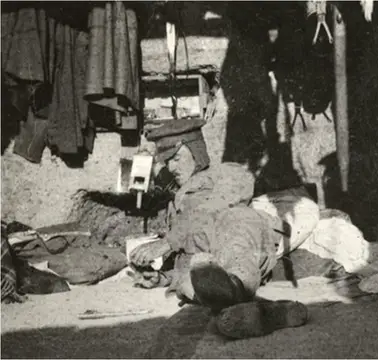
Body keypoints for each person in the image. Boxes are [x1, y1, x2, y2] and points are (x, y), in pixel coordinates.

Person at [129, 118, 315, 338]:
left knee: (236, 218)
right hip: (211, 267)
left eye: (176, 158)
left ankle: (236, 288)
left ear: (197, 152)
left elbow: (217, 206)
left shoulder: (226, 172)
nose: (171, 167)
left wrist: (168, 241)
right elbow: (188, 258)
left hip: (239, 243)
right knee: (192, 280)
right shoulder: (175, 205)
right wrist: (163, 278)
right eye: (167, 162)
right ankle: (265, 313)